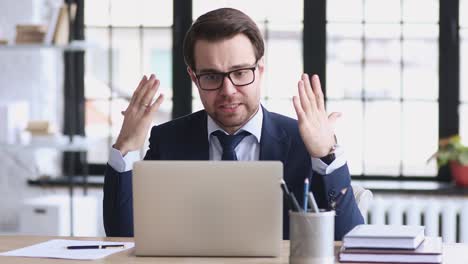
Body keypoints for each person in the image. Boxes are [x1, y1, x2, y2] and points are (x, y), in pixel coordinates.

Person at [103, 7, 364, 240]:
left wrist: (325, 156)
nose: (228, 90)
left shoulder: (302, 141)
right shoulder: (169, 140)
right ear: (193, 77)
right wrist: (125, 148)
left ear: (260, 69)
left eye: (240, 73)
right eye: (212, 76)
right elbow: (122, 235)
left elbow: (349, 239)